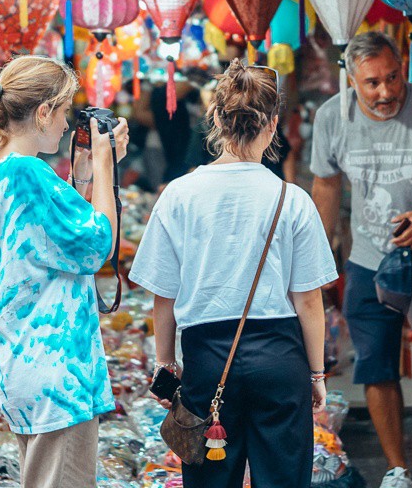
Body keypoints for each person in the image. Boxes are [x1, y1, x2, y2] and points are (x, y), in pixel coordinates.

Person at [130, 61, 337, 488]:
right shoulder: (291, 199)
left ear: (215, 119)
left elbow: (163, 297)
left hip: (207, 362)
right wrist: (316, 374)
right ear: (273, 123)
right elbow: (309, 300)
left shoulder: (178, 195)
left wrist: (167, 363)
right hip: (281, 360)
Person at [310, 32, 412, 488]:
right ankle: (397, 467)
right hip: (369, 258)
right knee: (375, 361)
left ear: (404, 69)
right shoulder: (331, 118)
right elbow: (325, 185)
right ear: (352, 80)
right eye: (372, 83)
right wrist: (321, 257)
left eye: (393, 78)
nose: (386, 92)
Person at [0, 55, 130, 488]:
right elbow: (97, 246)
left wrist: (80, 179)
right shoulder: (28, 171)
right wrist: (106, 164)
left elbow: (54, 244)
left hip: (22, 359)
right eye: (63, 111)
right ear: (42, 112)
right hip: (54, 369)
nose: (65, 125)